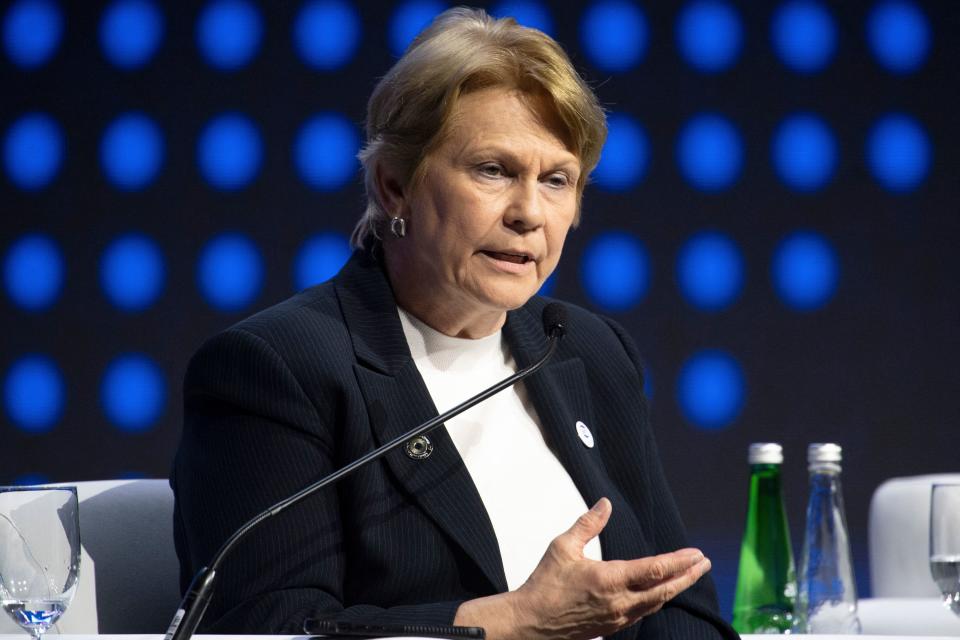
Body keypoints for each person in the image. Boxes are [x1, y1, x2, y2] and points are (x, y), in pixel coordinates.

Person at [171, 8, 738, 639]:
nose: (529, 213)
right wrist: (510, 624)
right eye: (492, 170)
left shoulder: (587, 349)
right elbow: (267, 629)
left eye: (556, 180)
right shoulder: (279, 369)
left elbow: (680, 605)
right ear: (394, 186)